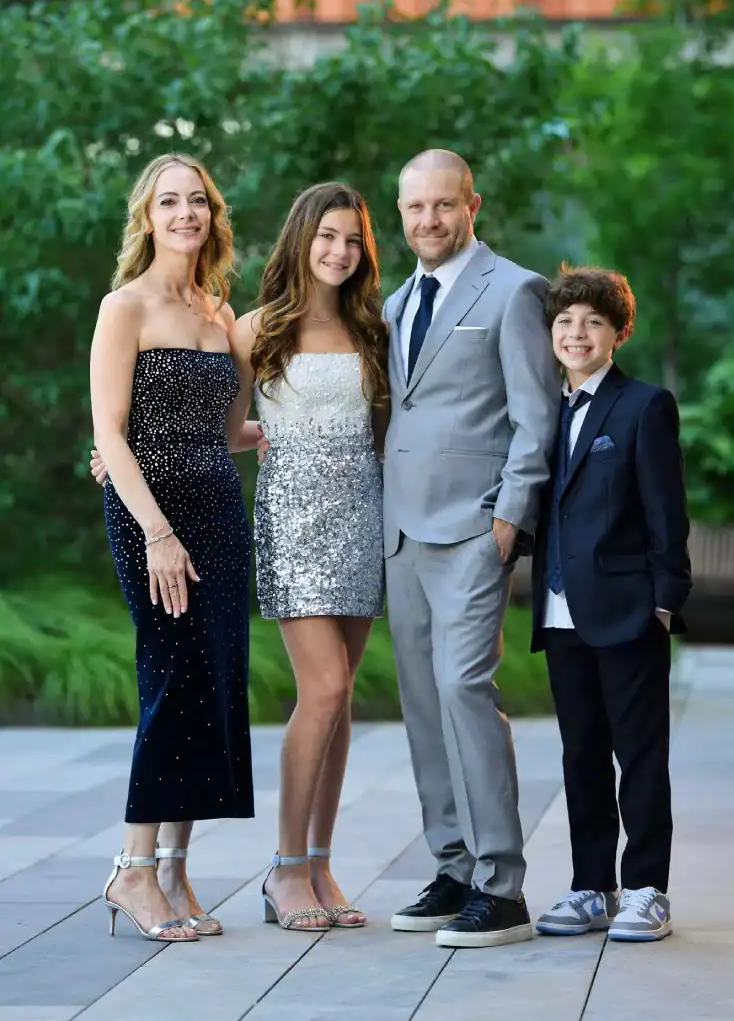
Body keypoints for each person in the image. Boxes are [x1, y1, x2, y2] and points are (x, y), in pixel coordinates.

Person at [383, 149, 560, 949]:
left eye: (444, 205)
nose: (430, 220)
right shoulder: (395, 303)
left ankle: (501, 885)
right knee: (424, 703)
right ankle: (453, 868)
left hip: (473, 530)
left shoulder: (515, 290)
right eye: (416, 207)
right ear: (401, 213)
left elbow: (536, 414)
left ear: (472, 206)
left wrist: (509, 517)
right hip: (401, 533)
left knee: (463, 687)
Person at [90, 153, 258, 942]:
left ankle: (172, 869)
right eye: (169, 202)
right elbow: (109, 432)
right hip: (151, 519)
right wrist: (157, 533)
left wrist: (303, 433)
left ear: (213, 216)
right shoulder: (123, 306)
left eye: (198, 200)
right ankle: (132, 870)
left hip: (219, 513)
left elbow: (228, 433)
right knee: (170, 678)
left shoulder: (221, 313)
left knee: (210, 684)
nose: (186, 213)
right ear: (147, 217)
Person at [227, 182, 388, 932]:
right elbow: (224, 431)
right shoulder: (254, 329)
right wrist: (121, 451)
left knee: (341, 696)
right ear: (301, 238)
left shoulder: (374, 330)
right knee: (322, 689)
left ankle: (321, 863)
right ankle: (285, 869)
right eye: (327, 236)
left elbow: (387, 432)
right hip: (292, 521)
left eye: (353, 240)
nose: (339, 251)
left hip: (363, 518)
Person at [530, 265, 691, 943]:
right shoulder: (543, 409)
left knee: (640, 754)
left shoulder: (644, 406)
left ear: (618, 333)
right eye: (565, 321)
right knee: (582, 754)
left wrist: (666, 601)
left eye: (593, 322)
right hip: (559, 610)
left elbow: (666, 513)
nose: (576, 333)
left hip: (628, 609)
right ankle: (592, 886)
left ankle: (647, 887)